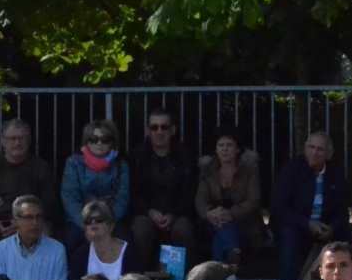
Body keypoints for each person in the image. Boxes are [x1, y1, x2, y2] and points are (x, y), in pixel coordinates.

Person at [270, 131, 350, 280]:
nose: (314, 152)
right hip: (296, 224)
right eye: (311, 147)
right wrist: (307, 223)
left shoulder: (336, 173)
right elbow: (280, 208)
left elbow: (342, 211)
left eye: (320, 149)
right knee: (289, 237)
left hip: (324, 226)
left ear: (328, 153)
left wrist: (332, 228)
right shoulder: (291, 170)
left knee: (345, 239)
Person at [0, 119, 58, 254]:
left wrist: (21, 223)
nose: (17, 143)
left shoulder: (41, 168)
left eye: (21, 138)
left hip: (32, 221)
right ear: (3, 141)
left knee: (45, 233)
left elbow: (50, 203)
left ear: (29, 141)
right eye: (12, 138)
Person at [128, 109, 197, 268]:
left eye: (164, 127)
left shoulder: (186, 156)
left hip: (178, 214)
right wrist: (149, 212)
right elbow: (132, 192)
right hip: (146, 213)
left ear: (173, 130)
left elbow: (190, 192)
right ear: (147, 131)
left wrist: (173, 214)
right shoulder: (136, 156)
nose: (159, 131)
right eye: (154, 127)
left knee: (183, 230)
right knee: (140, 230)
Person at [194, 127, 264, 266]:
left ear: (237, 149)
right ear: (216, 149)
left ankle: (220, 275)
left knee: (221, 237)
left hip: (244, 223)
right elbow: (200, 200)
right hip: (213, 222)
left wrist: (231, 214)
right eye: (221, 145)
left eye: (229, 145)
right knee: (222, 228)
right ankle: (232, 258)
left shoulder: (250, 170)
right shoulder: (208, 171)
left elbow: (253, 200)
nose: (224, 149)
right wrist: (209, 213)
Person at [61, 119, 130, 248]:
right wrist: (87, 224)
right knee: (71, 242)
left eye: (105, 139)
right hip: (80, 221)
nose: (99, 143)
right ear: (86, 141)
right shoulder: (73, 163)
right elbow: (70, 198)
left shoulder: (121, 165)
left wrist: (106, 224)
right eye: (93, 139)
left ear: (112, 142)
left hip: (111, 220)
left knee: (125, 242)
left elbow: (122, 198)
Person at [68, 200, 139, 280]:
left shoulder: (130, 252)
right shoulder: (80, 255)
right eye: (88, 221)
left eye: (99, 220)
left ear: (111, 225)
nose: (93, 223)